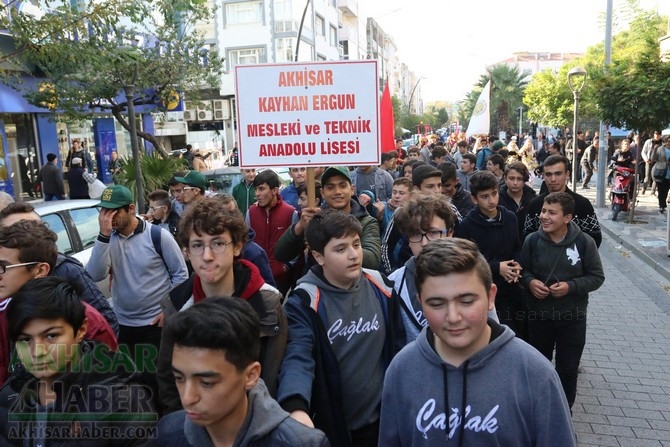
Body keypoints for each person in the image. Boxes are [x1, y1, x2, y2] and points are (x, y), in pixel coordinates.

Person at [379, 238, 577, 446]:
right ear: (421, 303)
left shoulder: (535, 374)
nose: (453, 316)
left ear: (490, 296)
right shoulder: (402, 369)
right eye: (437, 304)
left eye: (466, 301)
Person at [277, 210, 405, 447]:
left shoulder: (382, 287)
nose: (353, 255)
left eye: (356, 244)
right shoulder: (304, 301)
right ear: (318, 256)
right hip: (335, 428)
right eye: (340, 249)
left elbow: (400, 347)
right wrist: (295, 406)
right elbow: (298, 356)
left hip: (385, 425)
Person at [157, 197, 287, 413]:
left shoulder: (268, 304)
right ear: (187, 253)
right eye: (197, 245)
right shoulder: (177, 306)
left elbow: (276, 373)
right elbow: (167, 378)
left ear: (237, 247)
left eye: (218, 243)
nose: (207, 256)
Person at [0, 277, 156, 446]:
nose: (37, 352)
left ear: (81, 330)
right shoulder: (9, 395)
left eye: (51, 336)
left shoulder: (121, 400)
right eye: (25, 339)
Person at [155, 297, 329, 446]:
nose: (187, 398)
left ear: (251, 375)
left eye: (206, 383)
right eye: (179, 378)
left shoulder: (301, 443)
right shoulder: (168, 433)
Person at [87, 185, 188, 403]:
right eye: (104, 212)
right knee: (130, 381)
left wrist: (169, 309)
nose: (108, 218)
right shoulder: (108, 239)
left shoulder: (158, 236)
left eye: (114, 212)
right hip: (122, 325)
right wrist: (103, 236)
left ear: (131, 209)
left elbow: (180, 275)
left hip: (154, 326)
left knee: (158, 380)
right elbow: (94, 275)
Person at [0, 220, 118, 387]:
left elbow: (108, 377)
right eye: (26, 339)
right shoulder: (8, 309)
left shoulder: (83, 317)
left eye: (3, 267)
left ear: (40, 270)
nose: (36, 351)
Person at [521, 192, 604, 409]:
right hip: (539, 317)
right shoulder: (532, 241)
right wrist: (530, 283)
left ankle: (564, 413)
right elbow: (523, 271)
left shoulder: (584, 243)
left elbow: (596, 277)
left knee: (568, 369)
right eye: (543, 211)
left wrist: (571, 286)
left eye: (551, 213)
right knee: (538, 367)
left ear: (567, 218)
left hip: (572, 319)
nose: (544, 216)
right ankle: (536, 411)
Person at [0, 202, 119, 336]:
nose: (24, 234)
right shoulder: (7, 294)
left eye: (31, 227)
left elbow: (105, 324)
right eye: (9, 231)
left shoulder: (67, 270)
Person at [454, 170, 525, 338]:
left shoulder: (510, 217)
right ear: (474, 199)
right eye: (485, 196)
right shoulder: (466, 225)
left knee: (515, 335)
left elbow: (517, 246)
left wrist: (517, 266)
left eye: (494, 194)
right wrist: (496, 267)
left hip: (511, 289)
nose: (492, 200)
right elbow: (467, 261)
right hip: (484, 291)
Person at [274, 166, 381, 270]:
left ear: (352, 189)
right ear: (322, 193)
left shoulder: (367, 221)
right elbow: (281, 255)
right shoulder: (313, 219)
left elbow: (373, 260)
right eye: (330, 187)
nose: (337, 192)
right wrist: (299, 227)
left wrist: (329, 241)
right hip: (316, 284)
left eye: (343, 186)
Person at [389, 194, 457, 343]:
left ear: (449, 233)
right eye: (416, 234)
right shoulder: (393, 284)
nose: (425, 243)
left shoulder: (472, 276)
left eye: (433, 233)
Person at [523, 155, 602, 247]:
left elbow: (595, 237)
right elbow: (527, 237)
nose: (553, 179)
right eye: (548, 174)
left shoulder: (582, 204)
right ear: (543, 176)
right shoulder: (535, 204)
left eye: (558, 174)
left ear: (567, 174)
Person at [246, 169, 298, 296]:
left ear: (274, 190)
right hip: (256, 278)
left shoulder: (291, 213)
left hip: (281, 279)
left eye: (261, 189)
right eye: (256, 189)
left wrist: (286, 267)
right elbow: (245, 242)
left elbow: (296, 245)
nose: (257, 194)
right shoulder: (251, 212)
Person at [499, 161, 537, 240]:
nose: (515, 183)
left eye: (519, 179)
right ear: (505, 178)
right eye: (511, 178)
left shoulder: (533, 200)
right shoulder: (497, 199)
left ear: (524, 180)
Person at [651, 135, 670, 214]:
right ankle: (662, 205)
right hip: (661, 171)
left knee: (666, 190)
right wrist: (654, 150)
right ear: (665, 141)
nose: (669, 143)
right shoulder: (660, 149)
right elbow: (653, 159)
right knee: (661, 191)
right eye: (668, 141)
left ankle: (664, 203)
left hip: (669, 172)